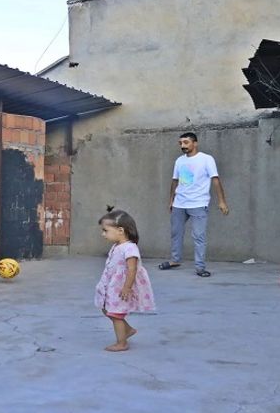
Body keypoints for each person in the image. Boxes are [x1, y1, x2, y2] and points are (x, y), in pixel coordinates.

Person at [157, 132, 229, 277]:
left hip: (198, 203)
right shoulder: (179, 161)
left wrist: (222, 201)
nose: (183, 146)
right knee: (176, 233)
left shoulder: (206, 159)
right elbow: (175, 181)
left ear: (195, 143)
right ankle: (175, 260)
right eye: (181, 143)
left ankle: (200, 267)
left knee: (198, 236)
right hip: (180, 203)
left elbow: (215, 180)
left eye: (186, 142)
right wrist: (171, 200)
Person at [95, 207, 156, 352]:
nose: (103, 234)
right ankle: (127, 330)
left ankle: (121, 343)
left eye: (106, 230)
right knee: (106, 309)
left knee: (116, 314)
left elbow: (132, 269)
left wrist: (127, 287)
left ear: (120, 230)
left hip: (121, 287)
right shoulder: (117, 246)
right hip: (112, 285)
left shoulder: (130, 248)